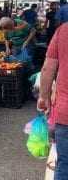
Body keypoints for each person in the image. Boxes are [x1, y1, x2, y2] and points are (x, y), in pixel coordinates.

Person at [38, 23, 68, 180]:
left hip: (66, 112)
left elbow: (48, 68)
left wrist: (44, 97)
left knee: (65, 164)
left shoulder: (63, 30)